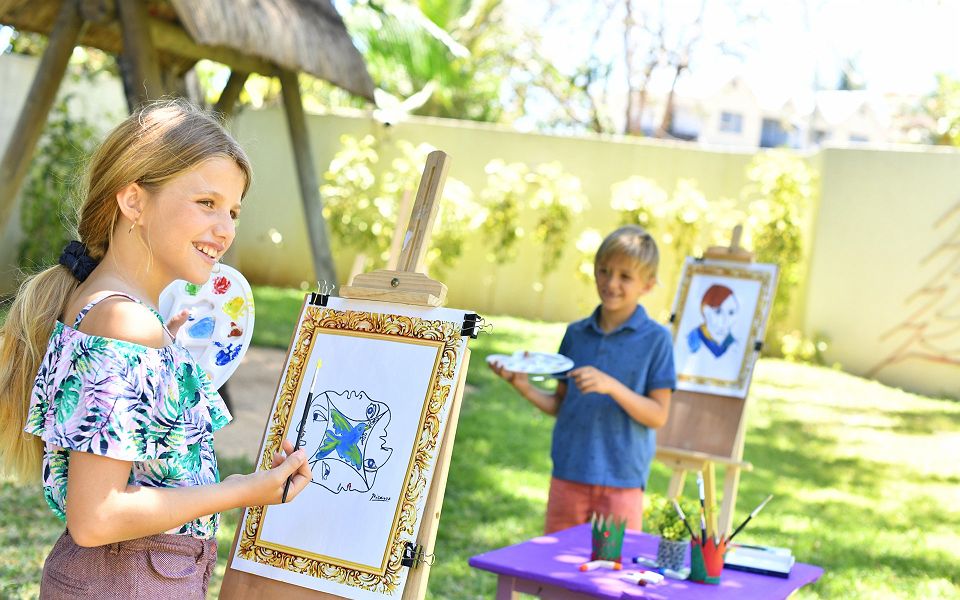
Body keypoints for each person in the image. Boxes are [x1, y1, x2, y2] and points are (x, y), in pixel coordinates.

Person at [0, 99, 312, 599]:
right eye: (206, 203)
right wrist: (240, 491)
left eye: (232, 211)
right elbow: (96, 517)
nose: (226, 229)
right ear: (133, 202)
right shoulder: (124, 324)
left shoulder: (118, 315)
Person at [490, 225, 676, 533]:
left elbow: (658, 416)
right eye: (604, 271)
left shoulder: (657, 340)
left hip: (622, 481)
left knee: (612, 575)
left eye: (625, 276)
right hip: (569, 473)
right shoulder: (576, 334)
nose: (611, 283)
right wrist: (522, 386)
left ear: (648, 284)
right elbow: (560, 405)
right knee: (557, 573)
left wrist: (612, 387)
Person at [686, 284, 739, 357]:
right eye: (718, 312)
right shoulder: (695, 337)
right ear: (704, 310)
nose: (725, 320)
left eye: (731, 312)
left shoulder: (732, 343)